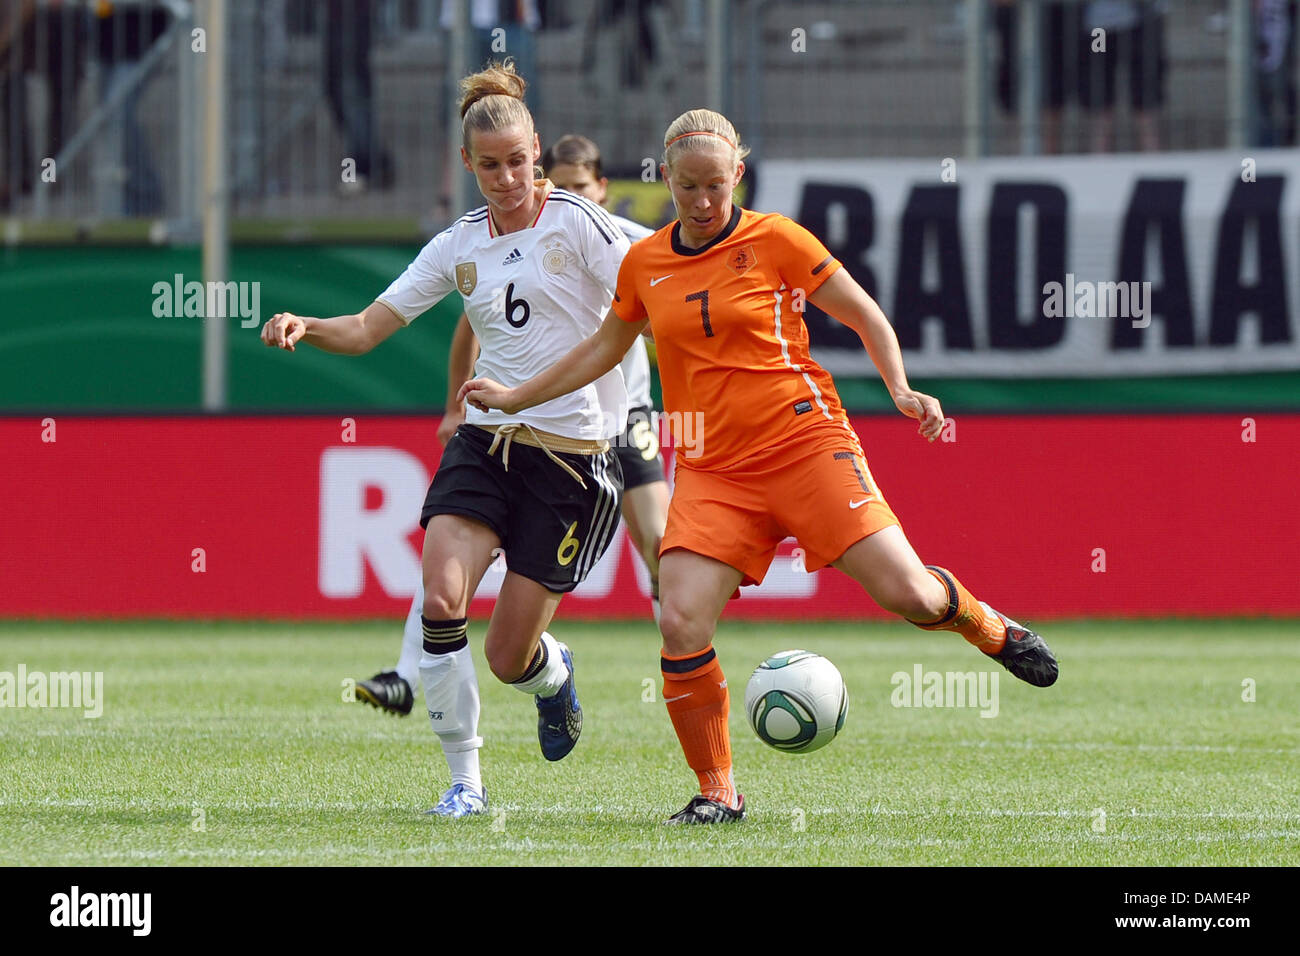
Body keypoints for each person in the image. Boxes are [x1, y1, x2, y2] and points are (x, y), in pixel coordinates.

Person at [460, 108, 1060, 825]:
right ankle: (718, 793)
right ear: (665, 181)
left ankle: (991, 628)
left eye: (716, 185)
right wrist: (516, 396)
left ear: (737, 175)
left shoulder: (776, 239)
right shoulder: (645, 262)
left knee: (912, 597)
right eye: (687, 187)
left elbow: (865, 314)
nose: (704, 201)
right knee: (680, 621)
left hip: (807, 447)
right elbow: (600, 350)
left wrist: (899, 387)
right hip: (715, 471)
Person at [261, 61, 631, 818]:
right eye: (489, 166)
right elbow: (368, 327)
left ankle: (552, 677)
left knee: (507, 658)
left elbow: (646, 306)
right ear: (467, 164)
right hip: (485, 446)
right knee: (440, 599)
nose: (507, 178)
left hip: (572, 466)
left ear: (537, 150)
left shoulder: (584, 225)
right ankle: (465, 782)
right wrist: (308, 324)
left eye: (519, 161)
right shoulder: (456, 248)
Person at [352, 134, 670, 725]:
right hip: (509, 420)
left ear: (601, 189)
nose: (567, 195)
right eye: (562, 184)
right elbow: (473, 324)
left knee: (657, 542)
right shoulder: (486, 238)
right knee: (450, 562)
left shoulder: (610, 234)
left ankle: (679, 653)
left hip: (618, 418)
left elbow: (667, 307)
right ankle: (405, 672)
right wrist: (456, 406)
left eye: (581, 187)